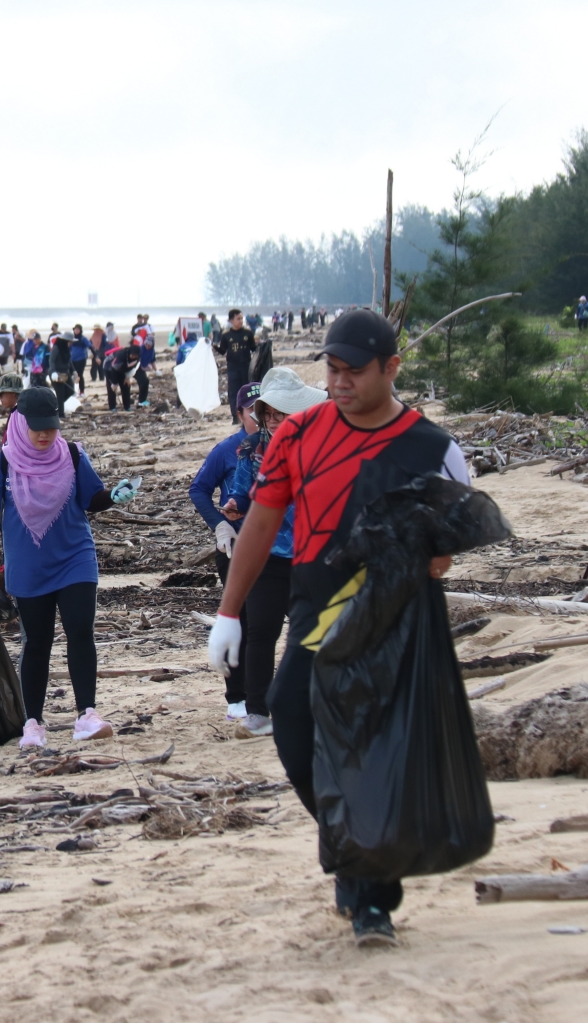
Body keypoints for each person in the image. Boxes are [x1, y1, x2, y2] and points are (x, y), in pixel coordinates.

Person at [207, 310, 470, 949]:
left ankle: (370, 897)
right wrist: (229, 611)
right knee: (292, 722)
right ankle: (348, 836)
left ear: (391, 369)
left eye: (356, 370)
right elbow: (263, 523)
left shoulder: (432, 447)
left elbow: (444, 553)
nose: (342, 380)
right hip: (315, 612)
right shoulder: (299, 435)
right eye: (334, 368)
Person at [0, 388, 139, 749]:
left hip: (76, 558)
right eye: (37, 428)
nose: (45, 435)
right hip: (28, 566)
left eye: (52, 428)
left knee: (80, 631)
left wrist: (114, 497)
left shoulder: (72, 455)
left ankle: (87, 714)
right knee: (37, 642)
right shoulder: (2, 465)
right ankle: (33, 722)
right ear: (20, 423)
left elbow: (92, 499)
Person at [217, 368, 326, 737]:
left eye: (285, 414)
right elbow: (246, 492)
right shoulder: (250, 448)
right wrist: (235, 503)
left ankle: (304, 701)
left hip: (311, 554)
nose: (277, 421)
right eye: (270, 414)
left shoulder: (319, 445)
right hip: (267, 553)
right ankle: (257, 709)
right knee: (261, 632)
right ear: (261, 415)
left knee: (309, 632)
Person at [187, 382, 260, 719]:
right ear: (239, 413)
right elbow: (199, 488)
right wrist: (219, 524)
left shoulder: (281, 447)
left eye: (266, 409)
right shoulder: (227, 450)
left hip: (276, 547)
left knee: (269, 621)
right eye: (252, 411)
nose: (259, 417)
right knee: (240, 620)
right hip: (233, 547)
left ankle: (264, 694)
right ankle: (236, 698)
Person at [214, 309, 257, 424]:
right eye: (238, 319)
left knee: (247, 392)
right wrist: (212, 346)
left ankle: (248, 416)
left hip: (246, 367)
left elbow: (254, 349)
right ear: (231, 320)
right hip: (233, 368)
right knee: (234, 393)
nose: (241, 321)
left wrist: (264, 346)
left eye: (242, 318)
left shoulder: (248, 334)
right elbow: (222, 351)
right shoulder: (226, 336)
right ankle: (236, 417)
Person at [102, 341, 133, 410]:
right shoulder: (120, 355)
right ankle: (112, 407)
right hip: (109, 370)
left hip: (121, 371)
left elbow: (132, 368)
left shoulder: (132, 357)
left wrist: (127, 377)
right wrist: (114, 383)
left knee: (126, 387)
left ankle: (127, 407)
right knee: (111, 389)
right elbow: (112, 369)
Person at [47, 337, 75, 410]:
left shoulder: (66, 349)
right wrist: (53, 372)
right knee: (60, 393)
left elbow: (69, 361)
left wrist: (74, 371)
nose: (70, 344)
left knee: (71, 390)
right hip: (56, 373)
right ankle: (60, 414)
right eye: (69, 342)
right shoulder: (56, 348)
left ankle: (56, 405)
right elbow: (51, 360)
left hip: (65, 372)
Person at [136, 332, 156, 405]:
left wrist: (156, 370)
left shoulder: (152, 351)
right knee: (144, 382)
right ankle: (141, 400)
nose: (147, 346)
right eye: (146, 344)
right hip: (136, 368)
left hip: (143, 368)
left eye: (149, 345)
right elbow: (136, 359)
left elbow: (153, 360)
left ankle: (143, 400)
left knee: (145, 382)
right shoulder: (140, 349)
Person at [69, 326, 90, 393]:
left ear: (80, 330)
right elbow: (68, 348)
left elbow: (90, 346)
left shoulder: (83, 339)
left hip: (81, 359)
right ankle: (72, 391)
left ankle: (81, 391)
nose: (76, 330)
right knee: (71, 375)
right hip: (72, 360)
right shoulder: (71, 339)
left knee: (79, 375)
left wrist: (96, 356)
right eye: (75, 329)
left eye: (78, 329)